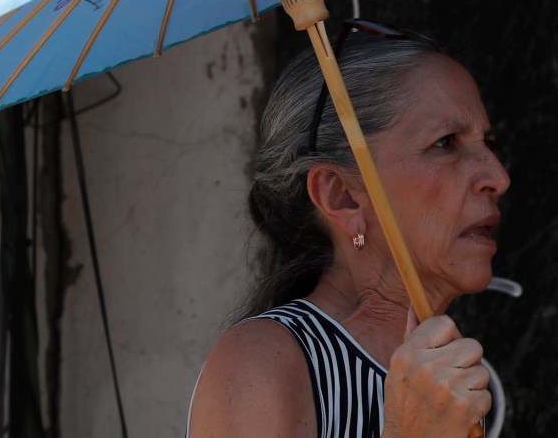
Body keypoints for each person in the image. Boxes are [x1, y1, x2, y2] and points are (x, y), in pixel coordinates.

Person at [187, 22, 511, 438]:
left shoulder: (444, 377)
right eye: (446, 143)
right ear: (342, 196)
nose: (498, 177)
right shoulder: (262, 363)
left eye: (489, 142)